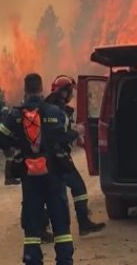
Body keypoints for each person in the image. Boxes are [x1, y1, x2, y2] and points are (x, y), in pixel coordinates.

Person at [0, 73, 76, 265]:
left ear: (25, 90)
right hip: (54, 176)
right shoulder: (56, 113)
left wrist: (17, 146)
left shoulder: (15, 116)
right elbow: (65, 137)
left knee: (32, 229)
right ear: (42, 90)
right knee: (61, 225)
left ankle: (33, 260)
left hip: (30, 177)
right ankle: (64, 261)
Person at [44, 75, 106, 236]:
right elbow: (57, 137)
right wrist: (76, 132)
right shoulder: (56, 110)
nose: (72, 94)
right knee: (76, 188)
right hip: (57, 158)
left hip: (53, 158)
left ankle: (44, 229)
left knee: (55, 192)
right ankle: (82, 224)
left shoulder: (51, 108)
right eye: (70, 90)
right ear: (64, 92)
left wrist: (72, 131)